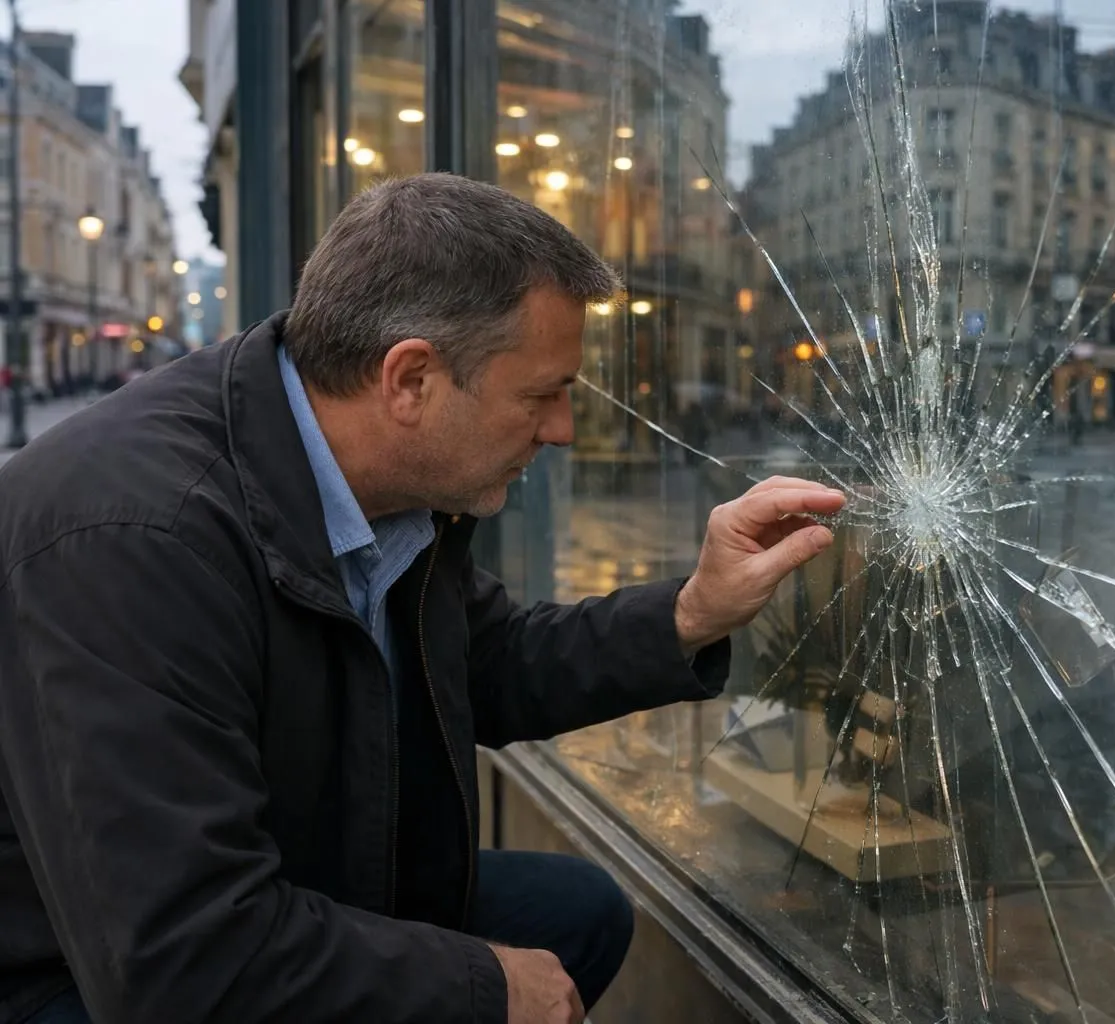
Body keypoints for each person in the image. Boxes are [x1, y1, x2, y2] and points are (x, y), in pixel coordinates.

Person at [0, 173, 845, 1024]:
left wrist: (692, 611)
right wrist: (481, 989)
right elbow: (185, 965)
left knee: (576, 913)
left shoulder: (382, 481)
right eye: (542, 394)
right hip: (73, 971)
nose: (560, 430)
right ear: (411, 380)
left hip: (284, 876)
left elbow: (487, 663)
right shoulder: (136, 542)